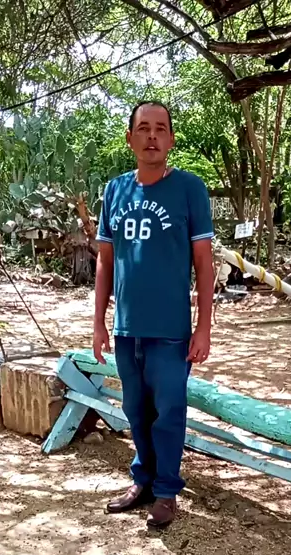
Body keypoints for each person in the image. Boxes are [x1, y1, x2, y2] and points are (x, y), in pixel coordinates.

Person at [93, 100, 214, 528]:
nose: (152, 136)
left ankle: (165, 492)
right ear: (130, 138)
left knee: (169, 412)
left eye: (160, 129)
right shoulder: (115, 191)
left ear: (171, 139)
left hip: (170, 331)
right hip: (128, 328)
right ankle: (142, 480)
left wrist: (203, 327)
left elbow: (204, 263)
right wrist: (99, 323)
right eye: (143, 128)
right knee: (135, 410)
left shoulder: (189, 189)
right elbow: (105, 261)